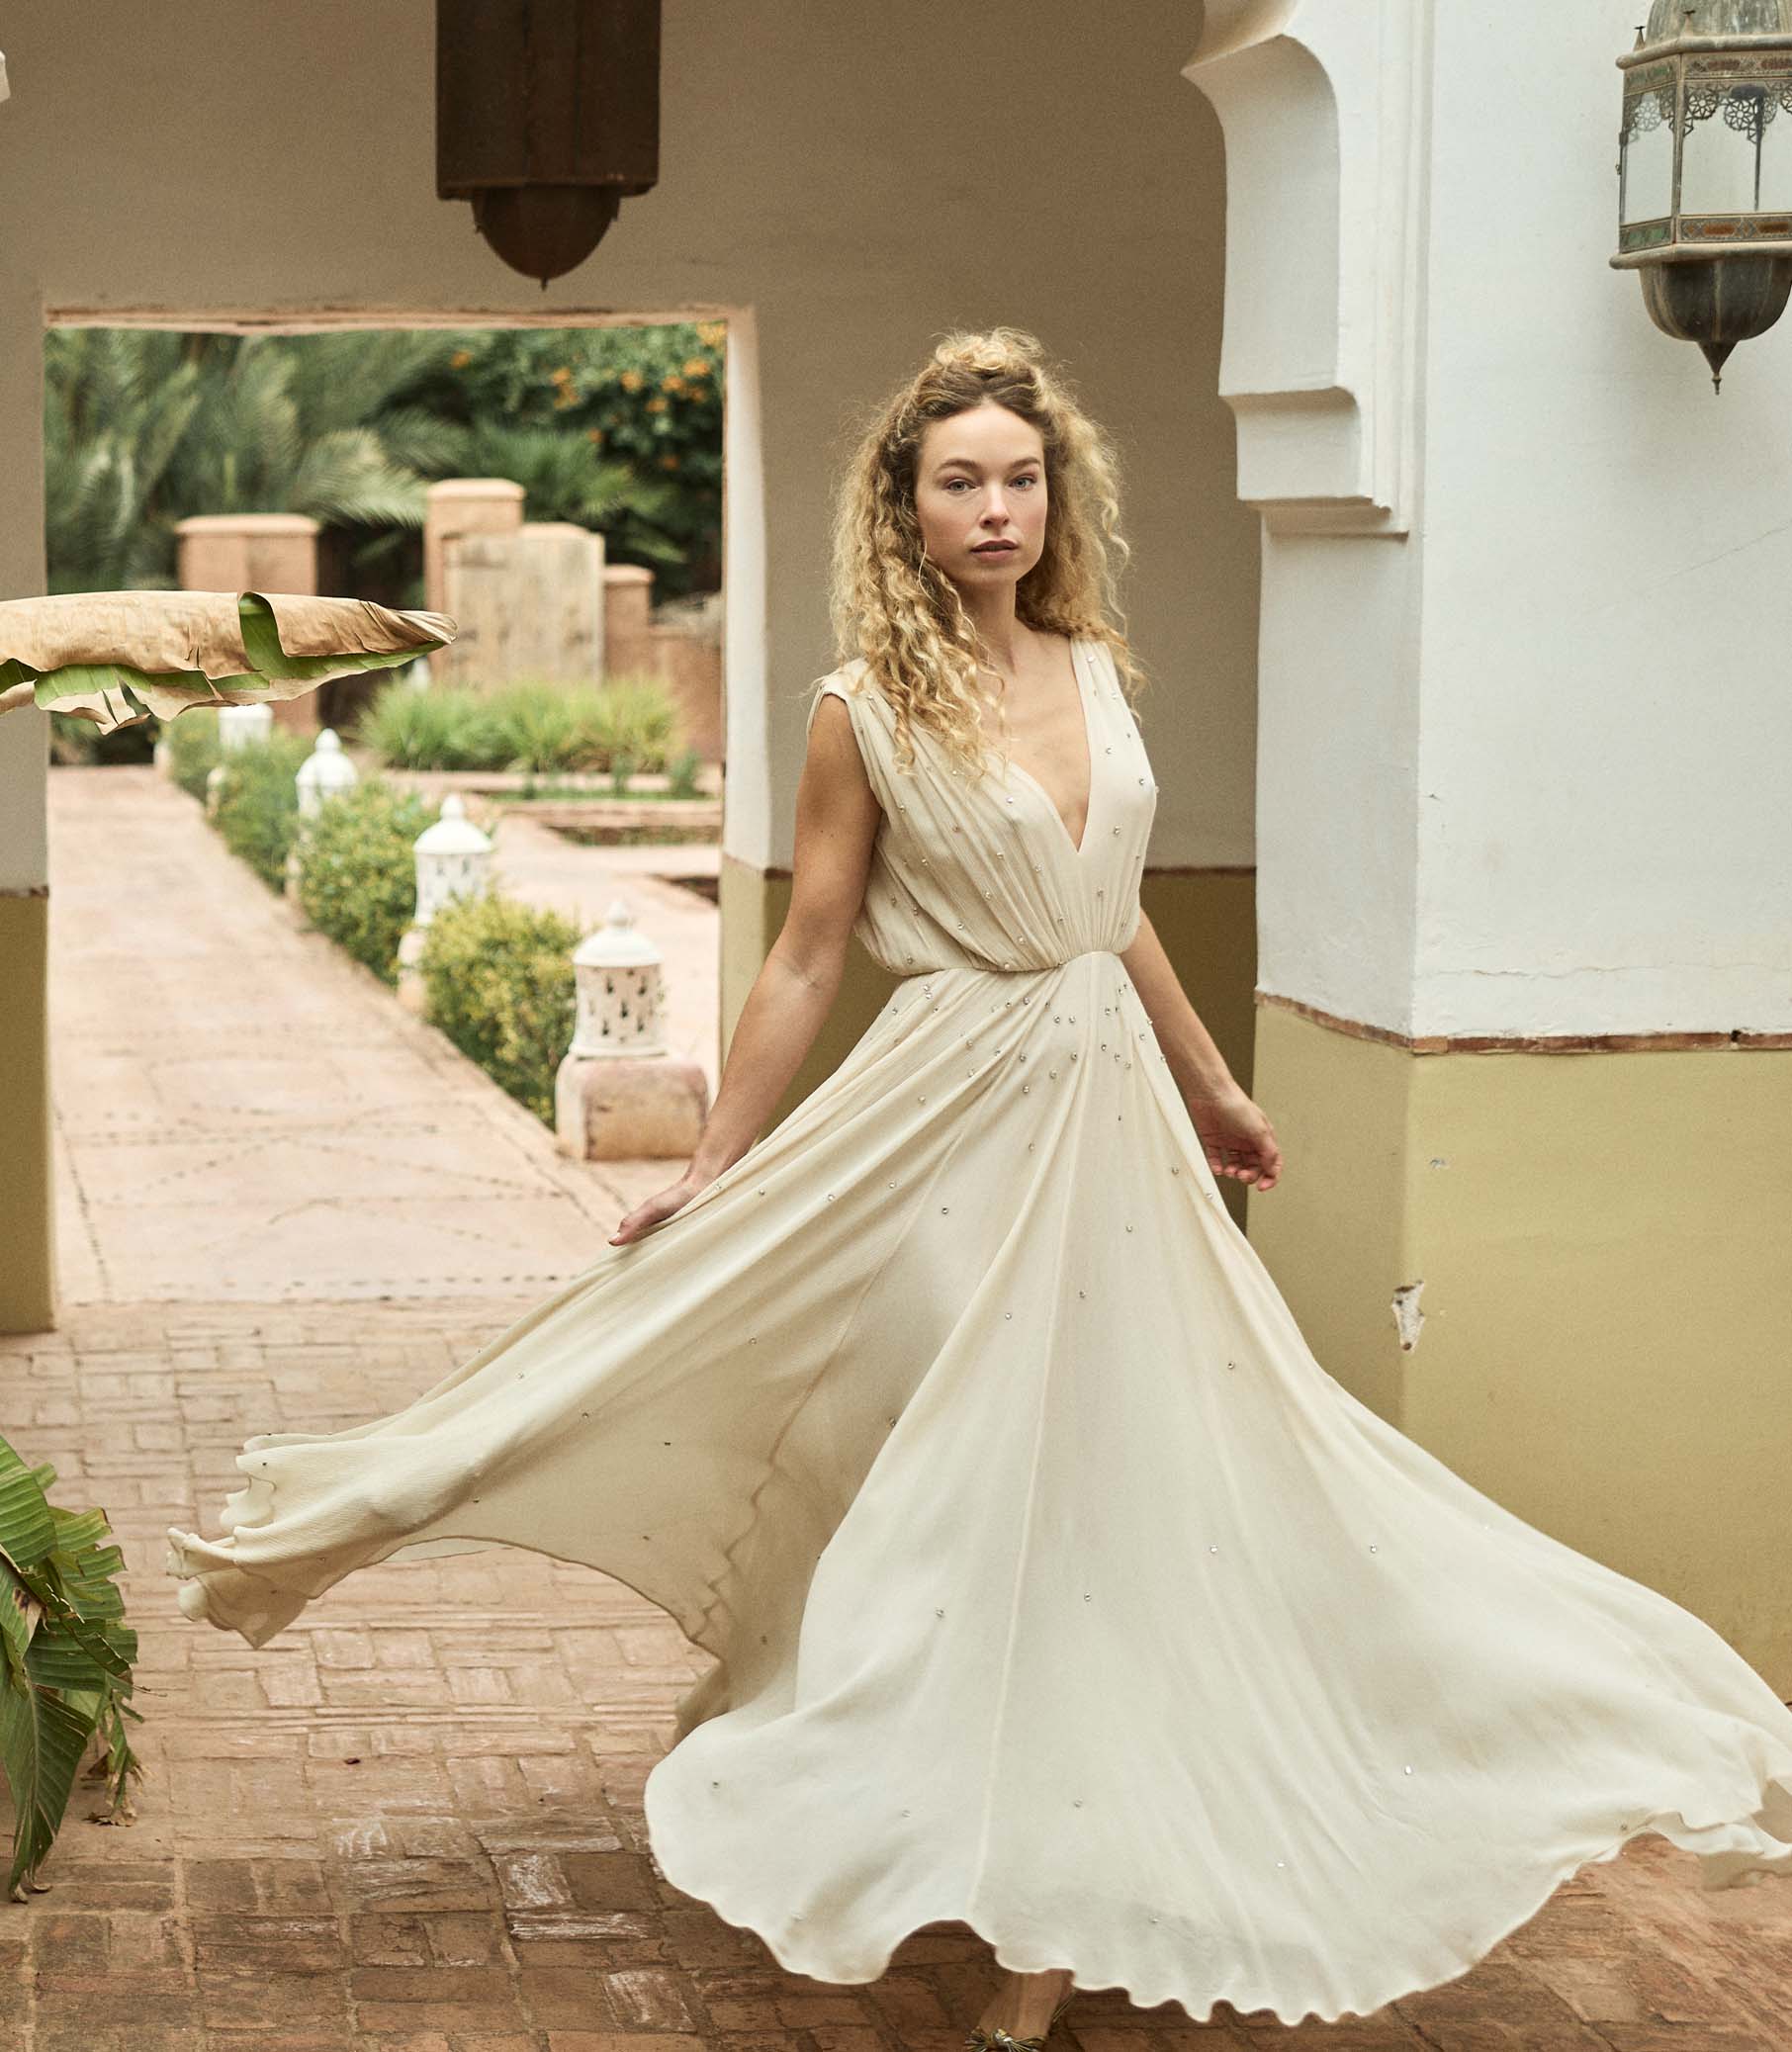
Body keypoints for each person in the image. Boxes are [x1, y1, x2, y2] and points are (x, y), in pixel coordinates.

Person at [167, 327, 1792, 2045]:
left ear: (1052, 497)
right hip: (949, 1110)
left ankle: (1058, 1905)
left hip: (1117, 1130)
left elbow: (1116, 902)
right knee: (969, 1488)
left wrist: (1218, 1085)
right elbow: (806, 955)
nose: (1000, 508)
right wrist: (714, 1166)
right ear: (907, 506)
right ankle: (898, 1786)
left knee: (1129, 1493)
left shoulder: (1093, 667)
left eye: (1024, 478)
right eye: (964, 481)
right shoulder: (860, 708)